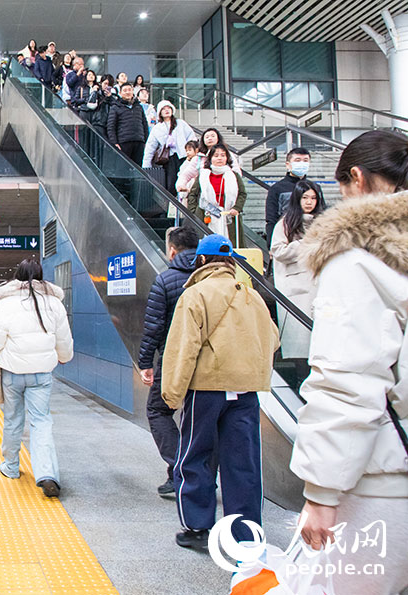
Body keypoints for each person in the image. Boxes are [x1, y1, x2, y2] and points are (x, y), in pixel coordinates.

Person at [289, 130, 408, 594]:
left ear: (355, 178)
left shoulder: (356, 258)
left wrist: (321, 492)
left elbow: (347, 380)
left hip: (384, 481)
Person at [162, 234, 279, 549]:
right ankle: (246, 534)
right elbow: (273, 338)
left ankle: (198, 528)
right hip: (245, 391)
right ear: (231, 262)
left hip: (206, 390)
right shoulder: (251, 296)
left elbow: (183, 348)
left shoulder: (196, 294)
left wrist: (172, 394)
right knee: (243, 462)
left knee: (195, 457)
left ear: (200, 260)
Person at [0, 259, 73, 498]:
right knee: (41, 421)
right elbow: (63, 339)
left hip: (12, 373)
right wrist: (64, 356)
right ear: (41, 276)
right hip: (42, 374)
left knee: (13, 420)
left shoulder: (5, 304)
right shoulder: (54, 303)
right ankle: (47, 473)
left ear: (17, 276)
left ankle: (12, 467)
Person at [137, 227, 199, 497]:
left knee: (158, 410)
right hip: (209, 360)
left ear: (172, 250)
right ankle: (202, 472)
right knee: (200, 416)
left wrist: (145, 362)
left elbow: (154, 326)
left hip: (173, 358)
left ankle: (179, 470)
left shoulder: (166, 279)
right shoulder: (209, 277)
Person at [269, 180, 326, 384]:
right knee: (301, 342)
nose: (309, 202)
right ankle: (302, 383)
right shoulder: (285, 223)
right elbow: (277, 251)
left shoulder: (325, 223)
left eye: (313, 198)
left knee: (319, 341)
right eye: (305, 197)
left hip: (320, 286)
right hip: (296, 289)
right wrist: (304, 244)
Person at [186, 144, 247, 245]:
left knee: (231, 246)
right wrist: (194, 211)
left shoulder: (233, 175)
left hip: (228, 217)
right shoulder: (203, 175)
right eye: (216, 155)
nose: (220, 158)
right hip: (206, 216)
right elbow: (193, 194)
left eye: (223, 155)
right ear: (210, 158)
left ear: (227, 158)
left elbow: (242, 193)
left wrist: (237, 208)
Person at [142, 100, 196, 193]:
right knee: (171, 183)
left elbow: (192, 138)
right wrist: (146, 165)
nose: (167, 110)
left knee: (187, 180)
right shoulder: (157, 128)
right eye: (163, 109)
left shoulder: (180, 123)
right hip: (169, 159)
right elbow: (150, 147)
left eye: (168, 108)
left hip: (184, 156)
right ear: (160, 113)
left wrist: (193, 152)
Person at [264, 147, 311, 245]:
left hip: (310, 239)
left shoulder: (314, 188)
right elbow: (271, 219)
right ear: (288, 165)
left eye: (305, 160)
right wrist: (271, 245)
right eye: (297, 160)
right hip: (285, 239)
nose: (302, 163)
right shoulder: (277, 189)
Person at [175, 127, 241, 195]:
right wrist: (181, 184)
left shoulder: (228, 154)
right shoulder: (198, 158)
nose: (210, 138)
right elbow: (187, 174)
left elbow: (236, 171)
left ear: (218, 138)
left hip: (224, 193)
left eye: (213, 136)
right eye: (207, 137)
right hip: (204, 195)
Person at [106, 82, 149, 164]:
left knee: (138, 169)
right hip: (123, 142)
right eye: (125, 90)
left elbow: (144, 124)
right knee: (123, 168)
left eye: (129, 90)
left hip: (139, 141)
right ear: (120, 93)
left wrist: (145, 140)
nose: (127, 92)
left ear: (133, 92)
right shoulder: (115, 107)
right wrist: (114, 142)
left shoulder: (138, 106)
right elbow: (111, 127)